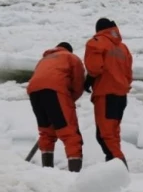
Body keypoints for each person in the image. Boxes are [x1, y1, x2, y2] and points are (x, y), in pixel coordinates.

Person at [27, 42, 86, 172]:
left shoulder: (44, 60)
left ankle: (47, 171)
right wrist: (69, 101)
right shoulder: (71, 57)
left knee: (46, 132)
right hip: (55, 90)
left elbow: (38, 77)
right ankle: (74, 175)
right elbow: (78, 83)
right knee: (70, 133)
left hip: (34, 92)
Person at [83, 18, 133, 169]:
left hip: (106, 95)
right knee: (113, 135)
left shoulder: (96, 42)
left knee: (105, 136)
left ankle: (120, 169)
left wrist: (88, 81)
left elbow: (94, 68)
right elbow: (128, 74)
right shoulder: (123, 48)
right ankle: (112, 168)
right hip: (121, 96)